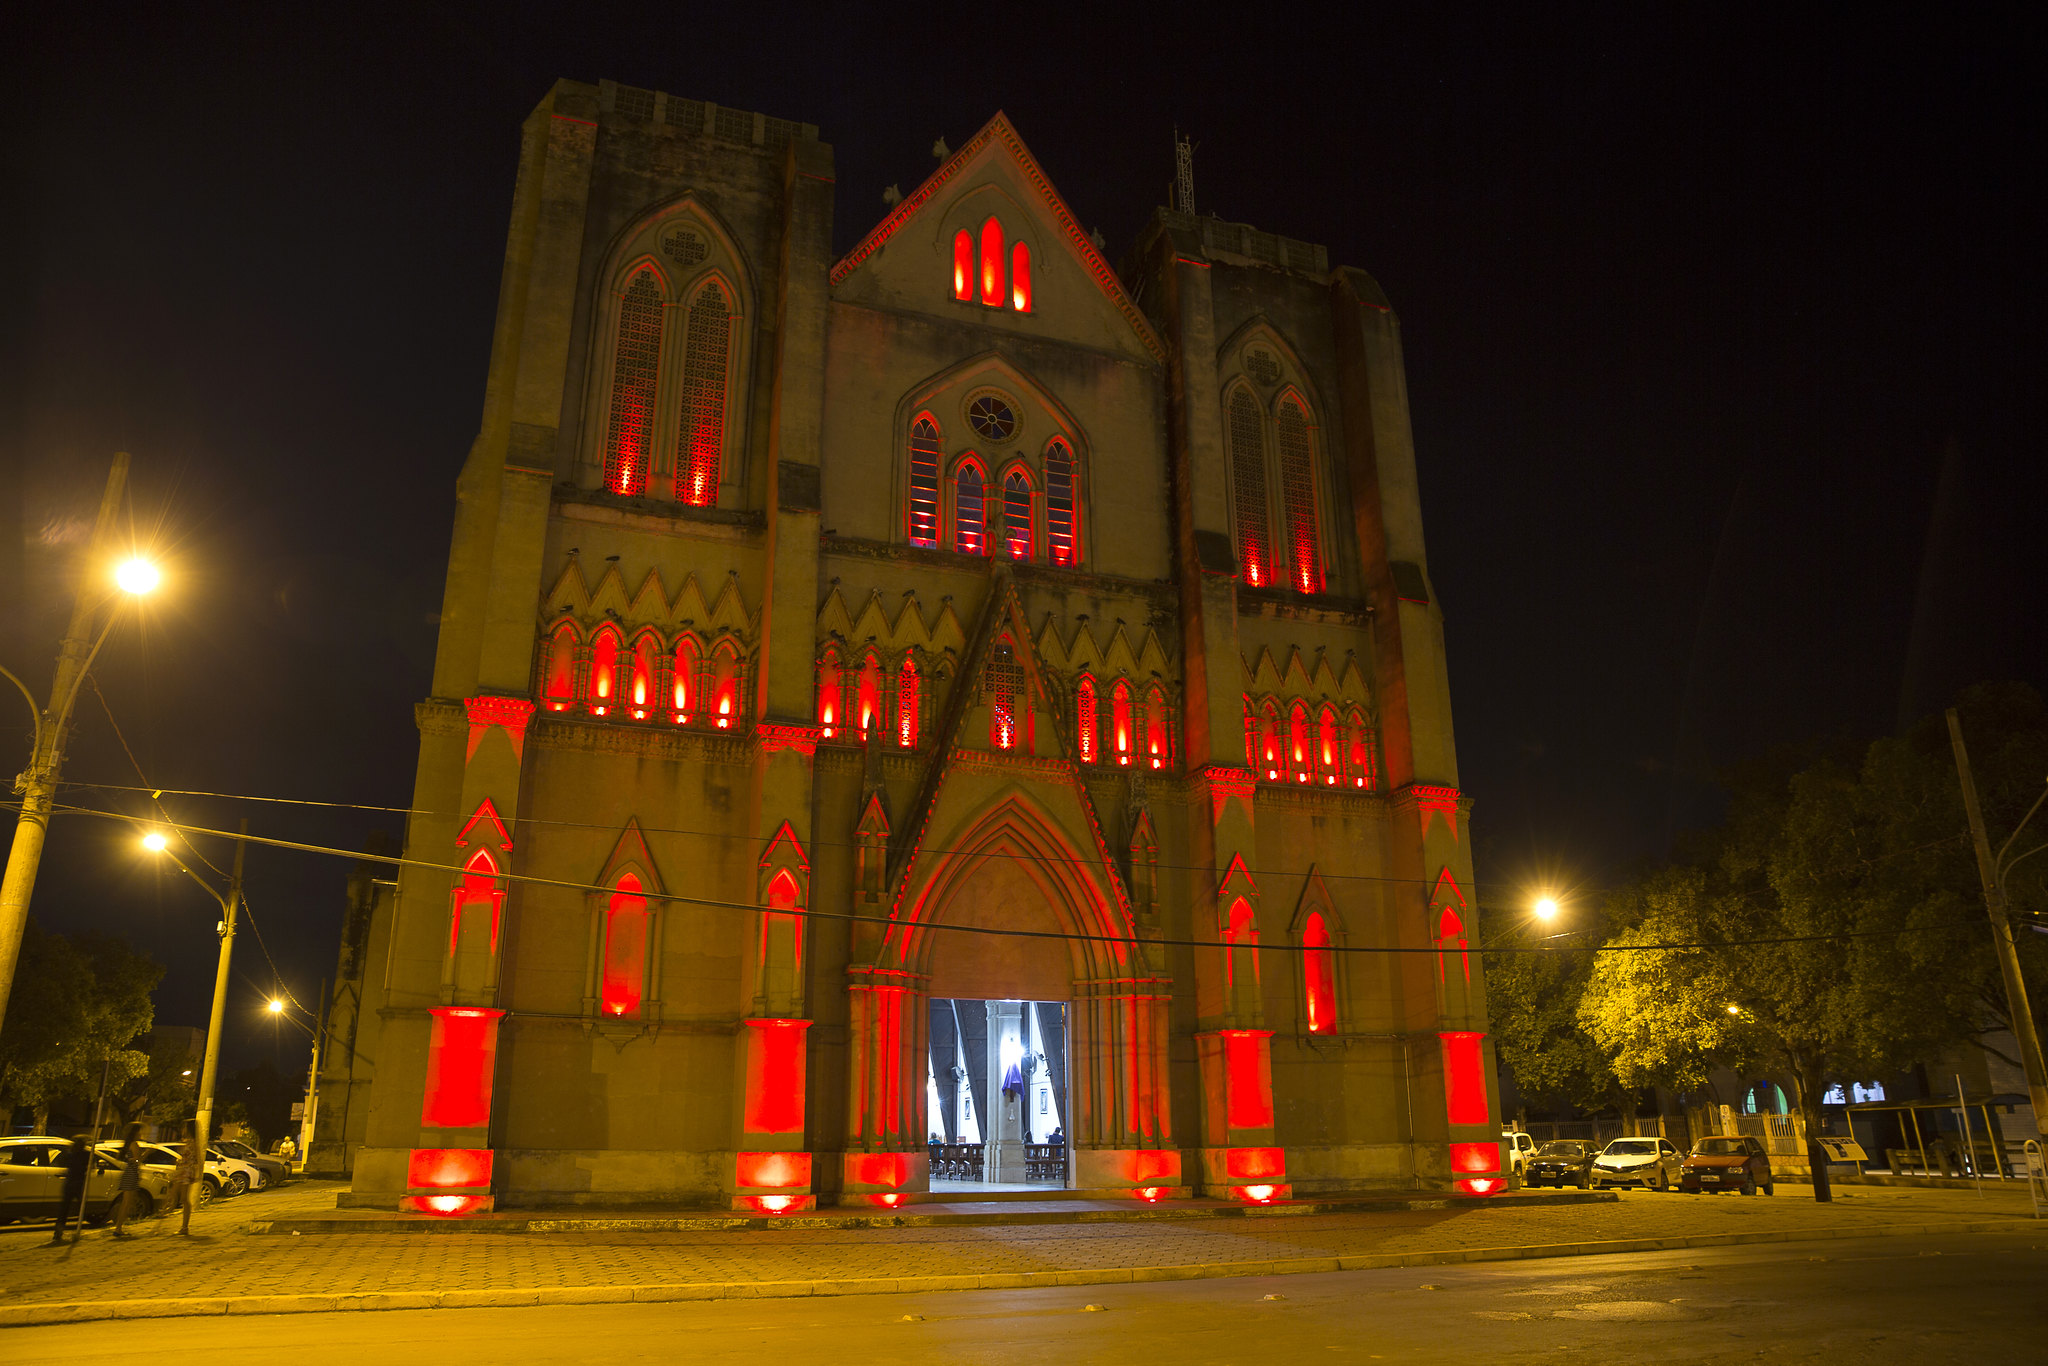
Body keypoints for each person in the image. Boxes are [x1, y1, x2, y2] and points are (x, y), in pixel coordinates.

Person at [49, 1135, 91, 1246]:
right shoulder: (86, 1154)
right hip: (79, 1182)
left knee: (64, 1209)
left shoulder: (70, 1153)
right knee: (81, 1208)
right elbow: (90, 1166)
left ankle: (58, 1231)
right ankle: (77, 1230)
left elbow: (64, 1163)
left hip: (69, 1182)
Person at [111, 1123, 144, 1237]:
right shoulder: (134, 1144)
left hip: (129, 1173)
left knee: (126, 1202)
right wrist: (145, 1154)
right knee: (127, 1203)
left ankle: (118, 1227)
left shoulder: (128, 1144)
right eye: (139, 1131)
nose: (141, 1134)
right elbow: (137, 1160)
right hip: (132, 1174)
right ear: (135, 1133)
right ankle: (118, 1228)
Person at [172, 1123, 204, 1235]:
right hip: (181, 1170)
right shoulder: (185, 1141)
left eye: (185, 1127)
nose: (183, 1129)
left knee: (184, 1199)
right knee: (176, 1195)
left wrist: (197, 1173)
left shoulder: (193, 1143)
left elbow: (197, 1159)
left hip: (186, 1171)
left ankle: (184, 1227)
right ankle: (179, 1224)